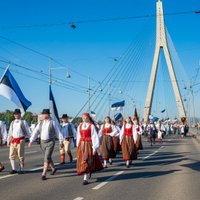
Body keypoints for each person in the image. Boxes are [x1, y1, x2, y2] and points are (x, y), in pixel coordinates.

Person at [29, 109, 63, 180]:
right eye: (43, 114)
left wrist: (61, 141)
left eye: (45, 114)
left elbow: (58, 132)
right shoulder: (40, 123)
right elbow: (35, 132)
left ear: (48, 115)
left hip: (50, 142)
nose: (43, 115)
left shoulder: (52, 122)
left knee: (46, 157)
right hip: (42, 143)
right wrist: (31, 141)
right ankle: (53, 169)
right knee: (48, 157)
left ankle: (43, 174)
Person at [76, 112, 103, 185]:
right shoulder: (80, 126)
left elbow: (94, 136)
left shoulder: (91, 126)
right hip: (81, 145)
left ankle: (86, 177)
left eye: (85, 117)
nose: (84, 119)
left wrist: (94, 147)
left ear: (88, 118)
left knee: (88, 159)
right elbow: (78, 136)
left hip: (88, 144)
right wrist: (78, 145)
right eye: (83, 117)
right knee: (82, 160)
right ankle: (86, 175)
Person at [7, 109, 31, 174]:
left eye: (17, 114)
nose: (16, 115)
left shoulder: (23, 122)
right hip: (13, 140)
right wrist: (8, 140)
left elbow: (28, 131)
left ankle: (21, 169)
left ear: (20, 114)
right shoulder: (12, 122)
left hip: (20, 140)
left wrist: (30, 140)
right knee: (11, 155)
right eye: (15, 114)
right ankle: (13, 169)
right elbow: (10, 132)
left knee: (20, 155)